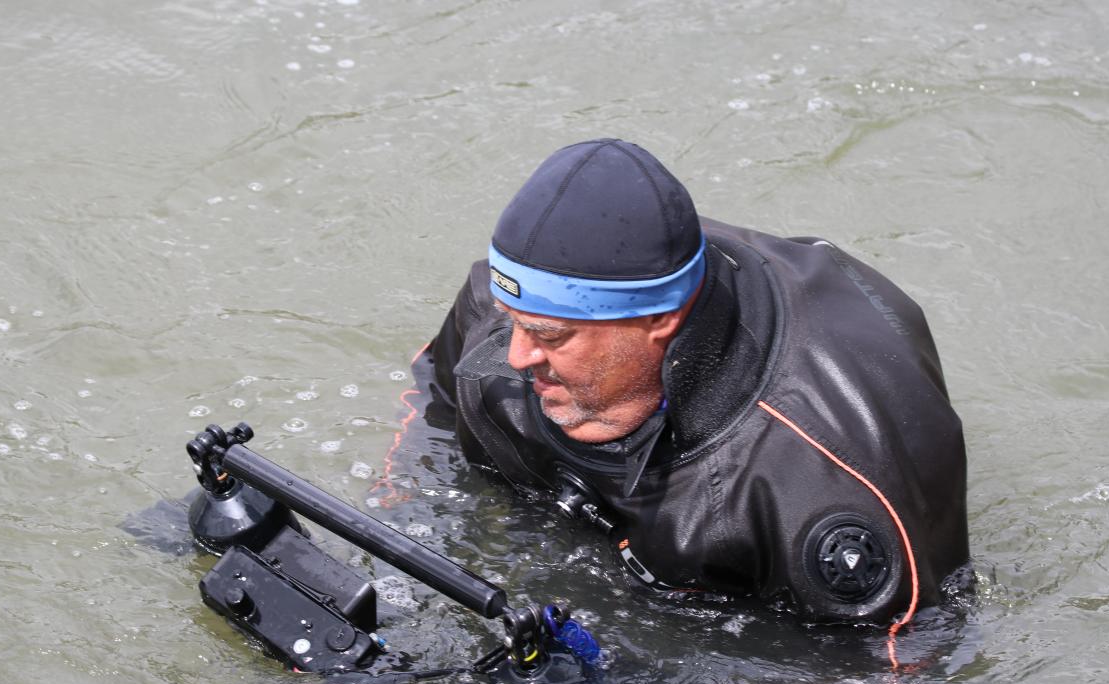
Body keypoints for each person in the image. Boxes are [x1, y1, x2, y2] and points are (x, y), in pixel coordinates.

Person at [414, 138, 969, 626]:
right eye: (513, 321)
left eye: (552, 337)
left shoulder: (825, 477)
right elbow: (431, 418)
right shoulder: (492, 308)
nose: (514, 356)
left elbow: (889, 680)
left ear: (659, 319)